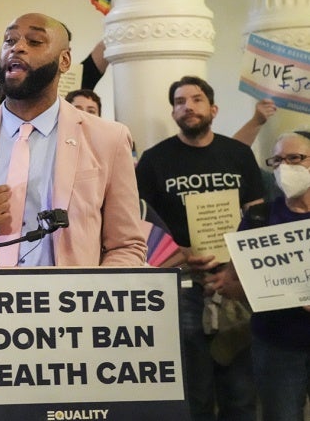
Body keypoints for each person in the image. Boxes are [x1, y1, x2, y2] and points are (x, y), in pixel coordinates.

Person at [0, 12, 145, 269]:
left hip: (72, 305)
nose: (17, 48)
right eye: (9, 41)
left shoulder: (109, 139)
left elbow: (126, 246)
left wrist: (93, 297)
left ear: (64, 61)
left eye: (34, 42)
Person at [135, 75, 263, 421]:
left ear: (213, 109)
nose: (187, 107)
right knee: (194, 390)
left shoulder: (237, 154)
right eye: (179, 101)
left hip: (235, 281)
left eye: (196, 99)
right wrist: (182, 253)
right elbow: (141, 223)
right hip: (182, 282)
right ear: (173, 112)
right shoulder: (153, 160)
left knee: (240, 389)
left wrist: (236, 268)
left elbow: (257, 213)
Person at [208, 131, 310, 421]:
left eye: (295, 158)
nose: (285, 167)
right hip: (277, 345)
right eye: (277, 160)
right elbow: (235, 280)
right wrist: (234, 286)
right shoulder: (259, 218)